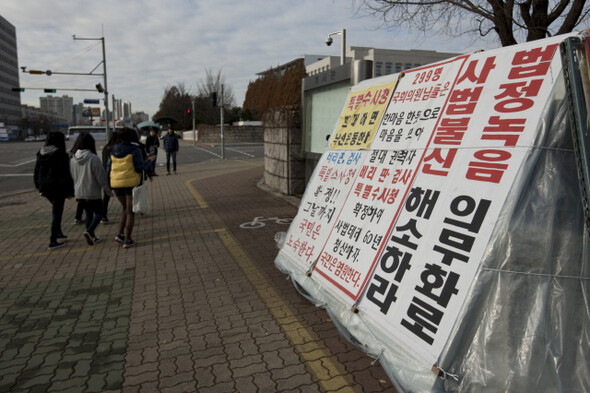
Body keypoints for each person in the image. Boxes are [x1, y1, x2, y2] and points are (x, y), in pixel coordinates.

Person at [107, 128, 155, 249]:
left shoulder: (113, 149)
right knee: (130, 212)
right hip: (130, 184)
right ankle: (128, 240)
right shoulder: (135, 149)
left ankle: (120, 235)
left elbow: (108, 169)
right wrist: (149, 161)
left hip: (116, 185)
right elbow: (139, 168)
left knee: (124, 209)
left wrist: (109, 185)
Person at [33, 131, 75, 250]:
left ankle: (58, 232)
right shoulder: (60, 154)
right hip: (57, 187)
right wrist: (69, 192)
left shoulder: (41, 152)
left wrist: (38, 185)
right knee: (57, 212)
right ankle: (53, 240)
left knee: (56, 210)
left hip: (45, 186)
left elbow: (37, 171)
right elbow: (65, 174)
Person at [70, 132, 111, 246]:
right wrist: (108, 190)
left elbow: (73, 175)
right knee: (100, 212)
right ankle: (89, 231)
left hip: (79, 192)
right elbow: (101, 177)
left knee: (88, 214)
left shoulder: (73, 159)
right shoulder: (93, 158)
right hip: (92, 192)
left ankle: (92, 236)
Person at [101, 130, 119, 222]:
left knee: (106, 196)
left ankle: (103, 215)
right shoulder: (115, 148)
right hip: (115, 173)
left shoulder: (105, 147)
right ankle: (127, 212)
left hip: (105, 173)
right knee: (121, 194)